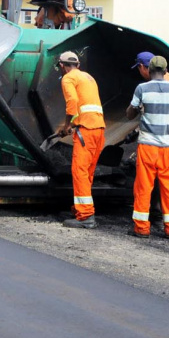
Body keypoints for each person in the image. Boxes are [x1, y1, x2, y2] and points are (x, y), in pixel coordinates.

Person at [127, 56, 169, 239]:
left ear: (149, 69)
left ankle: (142, 228)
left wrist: (139, 109)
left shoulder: (142, 88)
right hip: (168, 147)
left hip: (148, 146)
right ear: (165, 70)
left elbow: (129, 114)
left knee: (144, 187)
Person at [55, 51, 105, 229]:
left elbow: (72, 102)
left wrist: (67, 125)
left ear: (62, 66)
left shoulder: (68, 79)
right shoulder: (88, 77)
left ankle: (85, 216)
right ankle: (80, 208)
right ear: (77, 64)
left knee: (80, 171)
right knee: (88, 172)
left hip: (86, 130)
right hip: (98, 129)